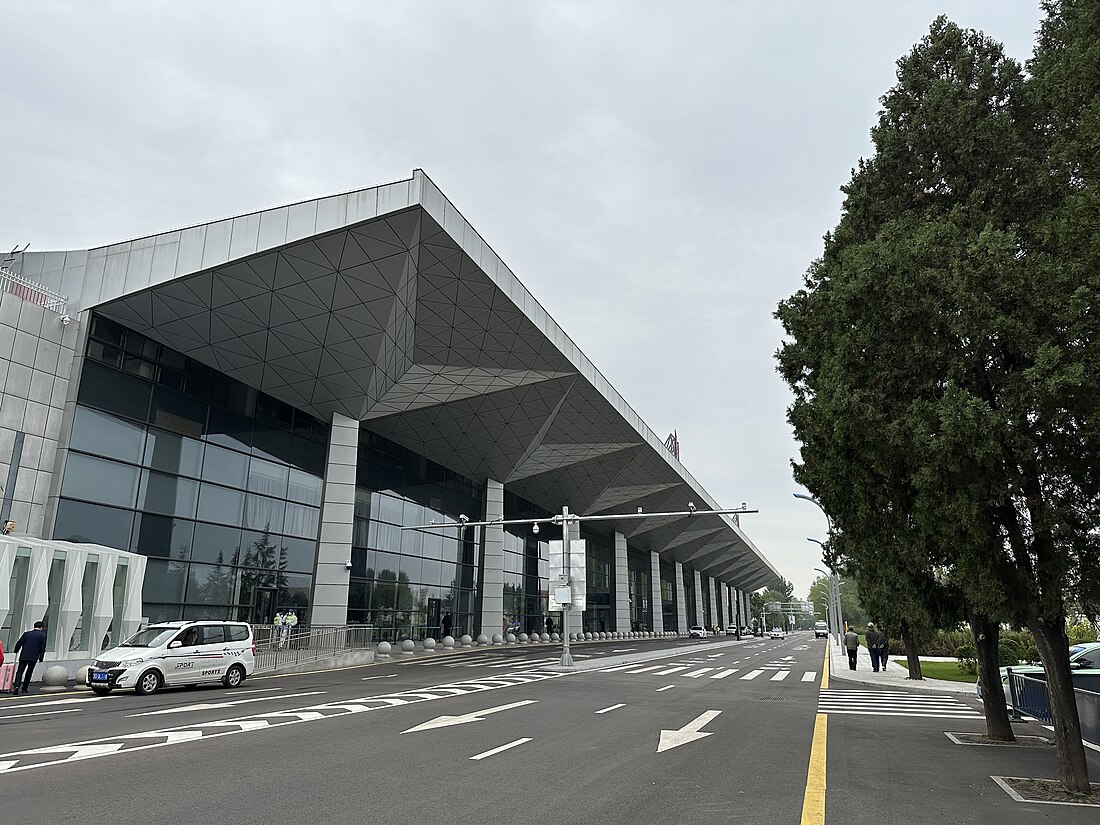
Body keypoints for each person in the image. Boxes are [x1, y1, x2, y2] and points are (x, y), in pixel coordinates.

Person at [12, 620, 48, 695]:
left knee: (19, 672)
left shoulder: (26, 634)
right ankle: (24, 688)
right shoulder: (42, 635)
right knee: (29, 672)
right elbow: (42, 647)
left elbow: (19, 643)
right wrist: (41, 657)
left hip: (24, 655)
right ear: (41, 627)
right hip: (33, 657)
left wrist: (16, 650)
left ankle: (16, 686)